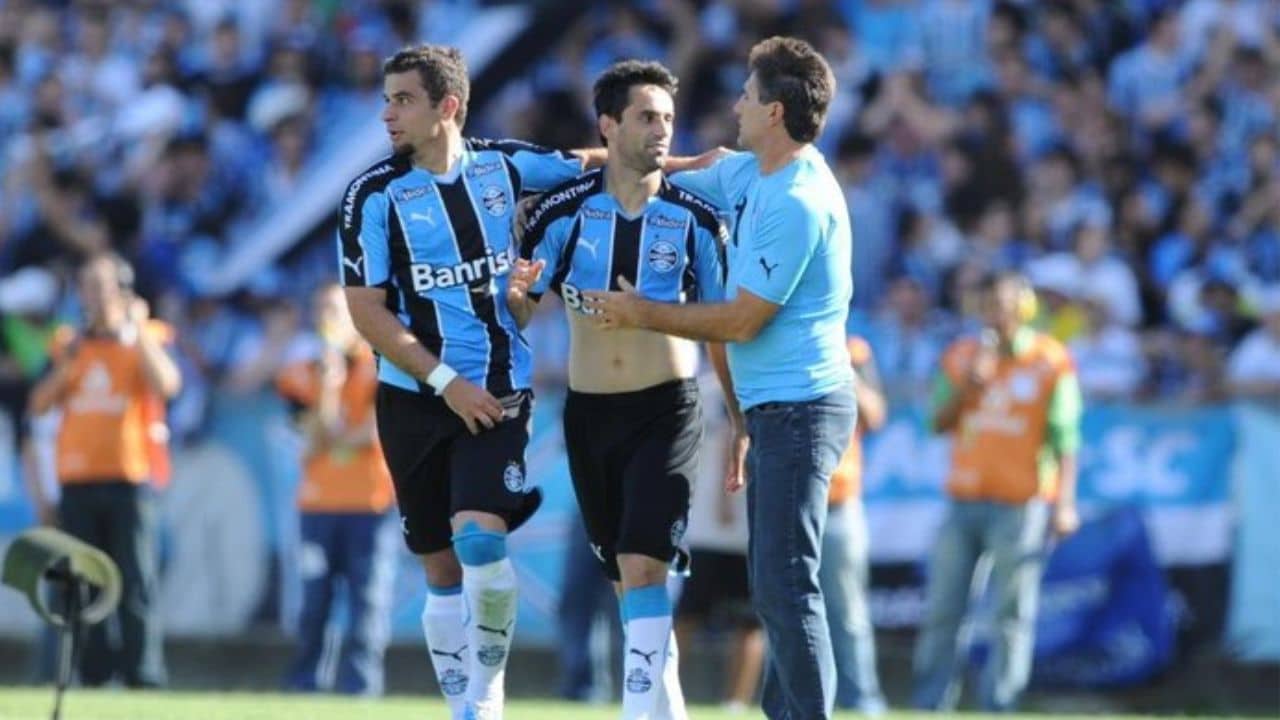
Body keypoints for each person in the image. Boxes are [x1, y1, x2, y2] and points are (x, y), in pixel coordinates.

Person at [586, 36, 855, 720]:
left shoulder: (798, 200)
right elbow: (690, 167)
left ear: (774, 111)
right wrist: (600, 158)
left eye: (746, 93)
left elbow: (740, 323)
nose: (735, 103)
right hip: (775, 409)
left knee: (787, 585)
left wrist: (642, 312)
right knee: (774, 588)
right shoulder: (757, 173)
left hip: (802, 408)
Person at [337, 43, 596, 720]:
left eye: (403, 99)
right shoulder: (373, 195)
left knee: (480, 541)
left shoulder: (505, 166)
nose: (387, 113)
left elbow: (597, 164)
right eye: (387, 98)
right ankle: (463, 706)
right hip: (414, 396)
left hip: (500, 388)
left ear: (446, 107)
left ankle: (487, 695)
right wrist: (446, 380)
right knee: (440, 566)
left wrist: (695, 169)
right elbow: (365, 310)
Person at [507, 59, 728, 720]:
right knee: (624, 572)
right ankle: (666, 704)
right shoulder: (561, 212)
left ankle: (637, 712)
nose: (662, 129)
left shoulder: (696, 216)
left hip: (668, 405)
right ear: (610, 124)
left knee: (643, 562)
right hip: (590, 411)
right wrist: (514, 298)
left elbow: (721, 323)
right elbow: (524, 309)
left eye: (667, 117)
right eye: (646, 117)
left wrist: (741, 424)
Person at [911, 271, 1083, 712]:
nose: (996, 314)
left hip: (1021, 505)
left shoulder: (1051, 360)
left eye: (1004, 304)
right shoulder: (962, 355)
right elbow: (936, 422)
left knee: (1012, 615)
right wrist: (969, 386)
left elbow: (1065, 439)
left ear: (1023, 308)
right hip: (964, 500)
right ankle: (930, 704)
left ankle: (1000, 705)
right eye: (988, 306)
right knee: (944, 610)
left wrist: (1064, 505)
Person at [27, 252, 182, 688]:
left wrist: (136, 333)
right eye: (87, 286)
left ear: (123, 289)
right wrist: (69, 363)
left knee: (135, 581)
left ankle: (143, 676)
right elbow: (39, 404)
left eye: (102, 285)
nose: (93, 295)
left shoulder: (144, 338)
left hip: (129, 477)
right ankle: (93, 675)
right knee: (83, 583)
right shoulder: (67, 342)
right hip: (77, 479)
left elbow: (168, 385)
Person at [276, 282, 398, 695]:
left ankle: (361, 688)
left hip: (369, 502)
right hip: (317, 504)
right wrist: (329, 386)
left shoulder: (383, 366)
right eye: (321, 310)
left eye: (335, 310)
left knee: (368, 601)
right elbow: (313, 438)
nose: (326, 319)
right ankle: (305, 683)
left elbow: (372, 432)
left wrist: (336, 436)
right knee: (314, 601)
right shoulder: (300, 374)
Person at [821, 336, 888, 715]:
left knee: (847, 611)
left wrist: (844, 369)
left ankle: (863, 698)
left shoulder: (854, 348)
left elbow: (876, 415)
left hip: (838, 499)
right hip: (788, 497)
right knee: (782, 606)